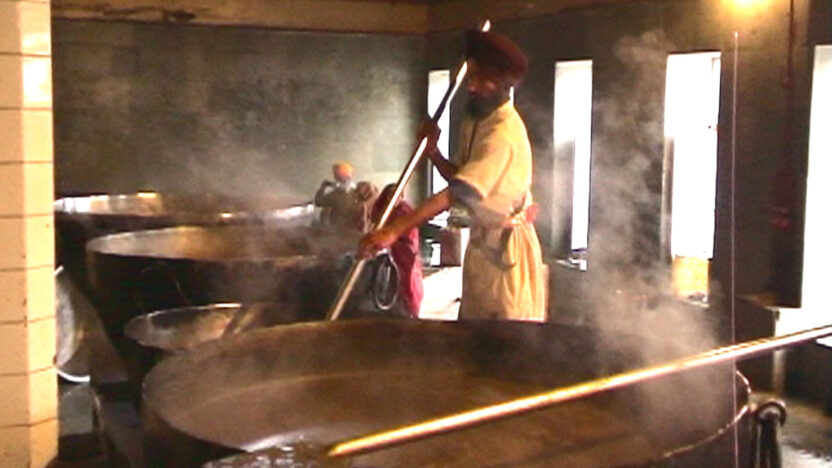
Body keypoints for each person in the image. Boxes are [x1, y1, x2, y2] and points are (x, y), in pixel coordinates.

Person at [358, 30, 545, 321]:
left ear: (502, 85)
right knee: (473, 328)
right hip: (483, 243)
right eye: (471, 76)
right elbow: (459, 177)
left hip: (508, 251)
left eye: (482, 80)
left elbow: (457, 193)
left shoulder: (503, 136)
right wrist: (432, 152)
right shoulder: (477, 119)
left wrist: (395, 230)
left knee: (505, 332)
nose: (472, 86)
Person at [368, 184, 424, 318]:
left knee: (408, 282)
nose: (395, 198)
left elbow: (409, 234)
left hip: (405, 252)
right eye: (391, 195)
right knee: (389, 281)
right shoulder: (383, 210)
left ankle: (410, 311)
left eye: (398, 195)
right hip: (391, 253)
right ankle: (392, 308)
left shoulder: (404, 211)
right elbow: (375, 223)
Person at [314, 162, 358, 230]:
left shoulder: (336, 194)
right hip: (352, 229)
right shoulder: (357, 191)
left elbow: (318, 201)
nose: (334, 177)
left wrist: (323, 187)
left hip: (338, 230)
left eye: (336, 175)